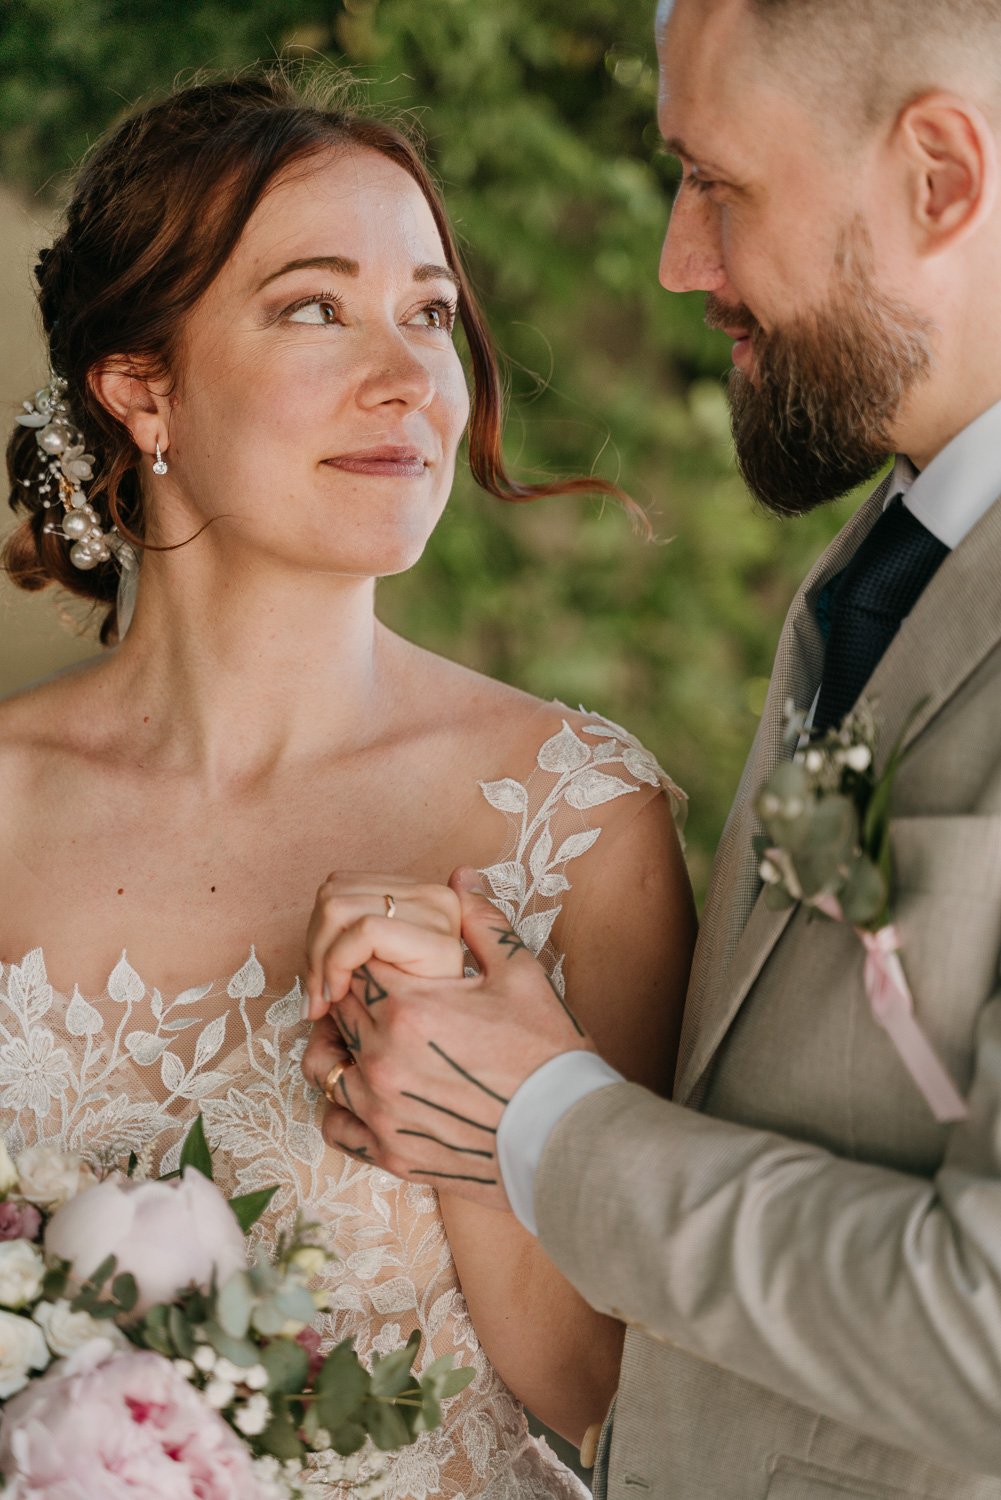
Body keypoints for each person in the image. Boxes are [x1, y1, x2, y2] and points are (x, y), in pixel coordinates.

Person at [302, 0, 1001, 1496]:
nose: (679, 258)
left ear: (940, 177)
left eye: (718, 184)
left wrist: (538, 1116)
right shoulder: (883, 570)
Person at [0, 72, 696, 1497]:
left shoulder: (576, 823)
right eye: (315, 307)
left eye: (430, 314)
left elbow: (614, 1393)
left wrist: (457, 1095)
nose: (408, 378)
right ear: (144, 389)